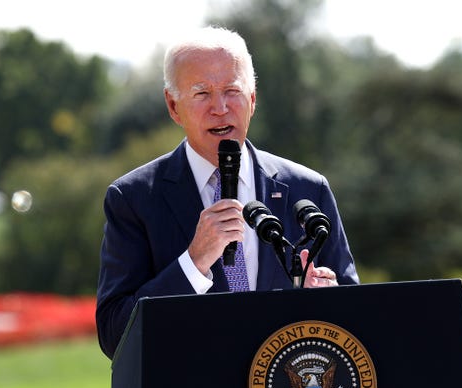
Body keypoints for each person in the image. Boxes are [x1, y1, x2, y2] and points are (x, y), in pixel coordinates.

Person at [95, 26, 359, 359]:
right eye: (202, 93)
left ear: (252, 99)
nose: (219, 108)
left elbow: (356, 320)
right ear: (173, 106)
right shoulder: (133, 198)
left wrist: (327, 301)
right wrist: (194, 263)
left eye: (232, 90)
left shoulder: (307, 189)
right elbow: (114, 335)